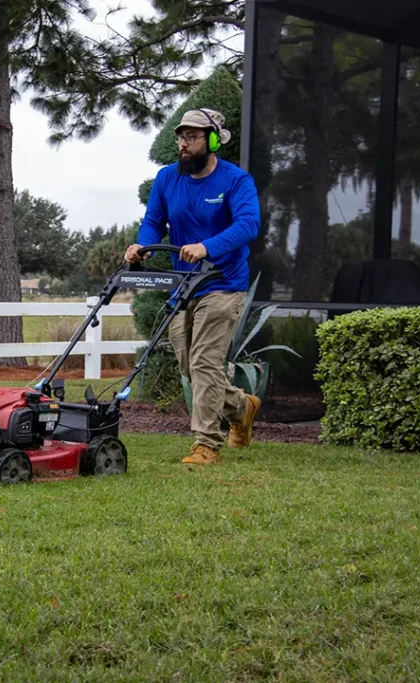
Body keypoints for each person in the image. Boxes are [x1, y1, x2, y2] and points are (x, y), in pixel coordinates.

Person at [125, 108, 262, 466]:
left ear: (212, 140)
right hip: (183, 286)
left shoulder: (236, 181)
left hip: (223, 282)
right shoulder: (167, 178)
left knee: (204, 362)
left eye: (194, 136)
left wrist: (207, 246)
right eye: (181, 136)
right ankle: (242, 407)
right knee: (190, 365)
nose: (184, 144)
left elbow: (249, 225)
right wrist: (143, 245)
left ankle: (206, 443)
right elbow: (154, 222)